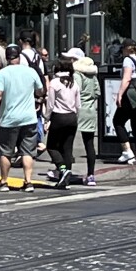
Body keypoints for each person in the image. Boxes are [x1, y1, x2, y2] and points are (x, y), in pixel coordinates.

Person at [0, 43, 43, 192]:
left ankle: (4, 182)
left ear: (7, 58)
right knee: (27, 151)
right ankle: (28, 181)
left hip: (9, 119)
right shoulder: (30, 72)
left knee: (6, 152)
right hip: (29, 118)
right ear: (19, 57)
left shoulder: (2, 74)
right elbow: (40, 90)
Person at [44, 56, 81, 189]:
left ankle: (62, 168)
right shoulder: (74, 83)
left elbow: (50, 104)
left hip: (58, 117)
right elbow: (78, 105)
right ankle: (66, 180)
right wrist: (76, 116)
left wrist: (46, 118)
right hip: (72, 117)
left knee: (52, 146)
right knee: (67, 148)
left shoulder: (55, 83)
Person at [113, 38, 136, 166]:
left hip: (132, 93)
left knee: (118, 121)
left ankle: (127, 150)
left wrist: (119, 94)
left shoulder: (128, 60)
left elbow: (127, 78)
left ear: (125, 49)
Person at [74, 50, 100, 186]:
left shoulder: (78, 75)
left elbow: (75, 91)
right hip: (90, 111)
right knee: (89, 144)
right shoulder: (93, 77)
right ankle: (91, 175)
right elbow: (97, 92)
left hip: (78, 111)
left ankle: (64, 170)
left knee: (67, 142)